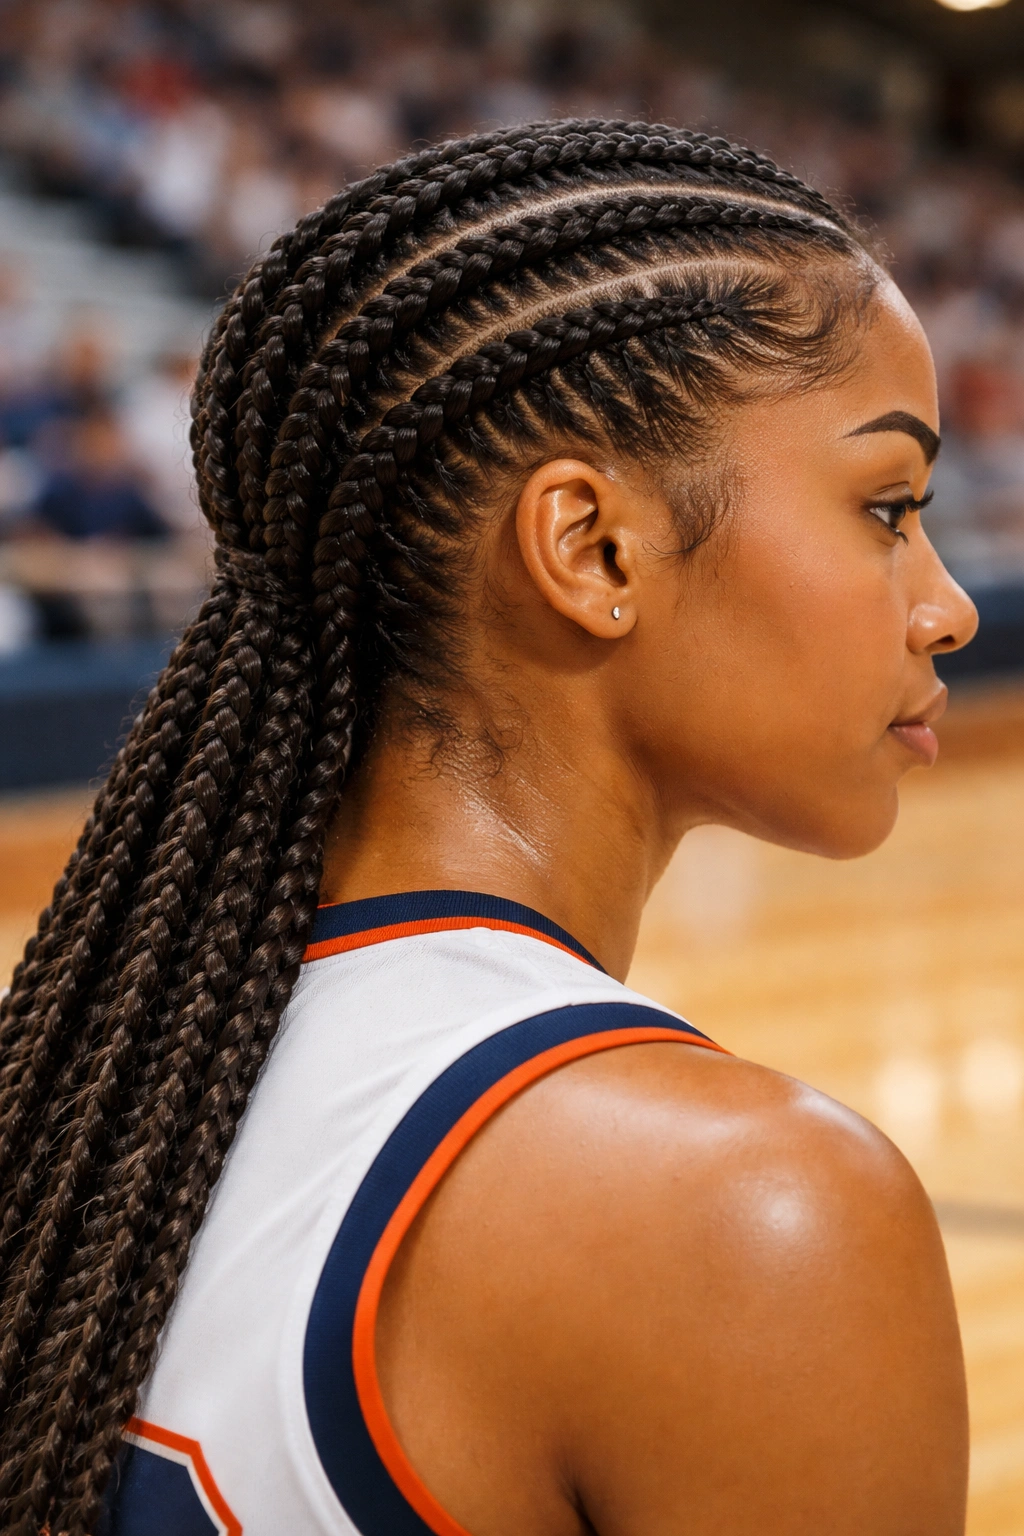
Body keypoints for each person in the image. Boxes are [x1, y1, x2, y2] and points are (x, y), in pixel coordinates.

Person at [0, 119, 977, 1536]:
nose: (947, 606)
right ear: (591, 547)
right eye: (887, 509)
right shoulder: (746, 1213)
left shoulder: (106, 1078)